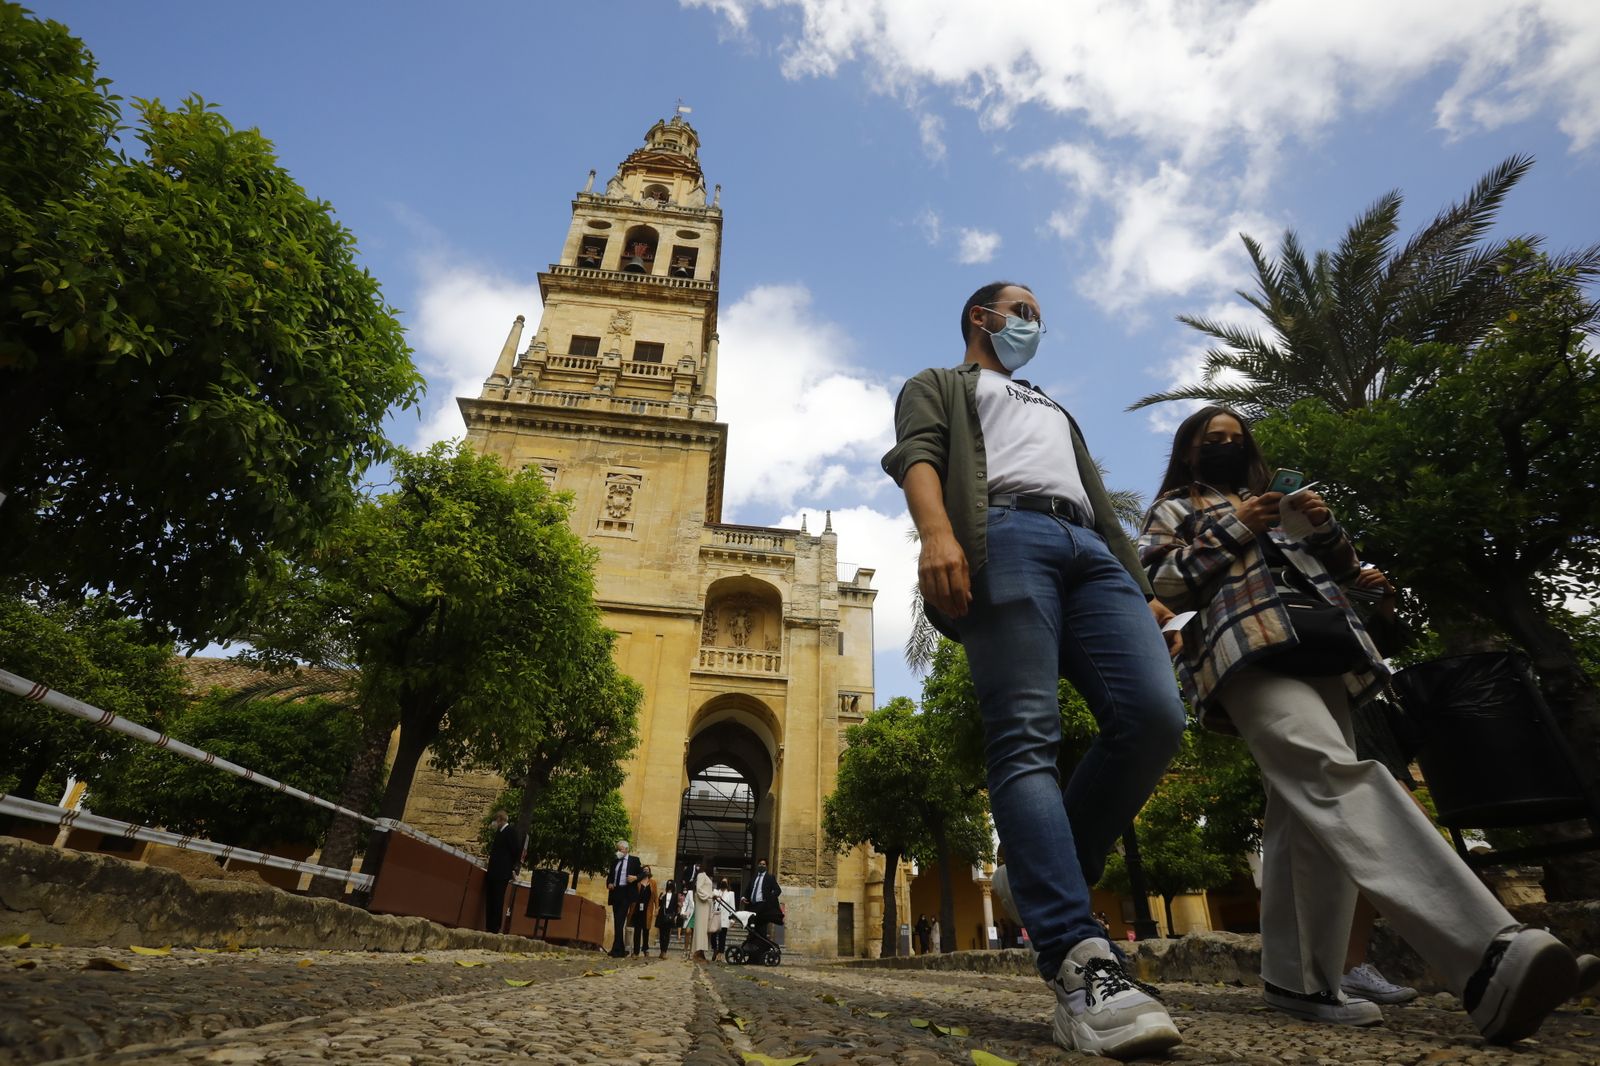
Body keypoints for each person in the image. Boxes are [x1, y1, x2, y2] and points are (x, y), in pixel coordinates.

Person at [1139, 404, 1579, 1043]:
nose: (1229, 445)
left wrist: (1323, 528)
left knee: (1304, 819)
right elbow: (1162, 579)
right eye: (1215, 439)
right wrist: (1237, 527)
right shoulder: (1177, 507)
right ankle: (1487, 952)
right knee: (1336, 777)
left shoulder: (1273, 498)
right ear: (1189, 452)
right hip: (1246, 651)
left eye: (1238, 437)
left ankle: (1301, 981)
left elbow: (1341, 572)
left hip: (1325, 650)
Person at [882, 281, 1185, 1059]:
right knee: (1026, 734)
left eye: (1039, 317)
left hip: (1090, 552)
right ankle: (1081, 965)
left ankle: (1039, 872)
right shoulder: (939, 385)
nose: (1032, 325)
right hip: (1005, 535)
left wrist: (1145, 593)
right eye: (1021, 312)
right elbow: (918, 455)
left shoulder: (1053, 408)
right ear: (980, 319)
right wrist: (937, 537)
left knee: (1154, 717)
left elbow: (1099, 502)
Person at [483, 809, 521, 934]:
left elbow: (516, 850)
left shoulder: (510, 831)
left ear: (500, 819)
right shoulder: (500, 832)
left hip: (502, 872)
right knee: (491, 898)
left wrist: (512, 868)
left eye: (495, 820)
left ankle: (495, 927)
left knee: (498, 899)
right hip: (494, 872)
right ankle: (489, 925)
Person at [604, 839, 643, 959]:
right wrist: (609, 883)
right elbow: (610, 876)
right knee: (617, 921)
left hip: (626, 893)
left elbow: (644, 873)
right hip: (616, 892)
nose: (618, 852)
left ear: (626, 850)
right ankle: (620, 949)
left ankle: (616, 950)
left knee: (620, 920)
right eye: (617, 849)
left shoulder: (634, 860)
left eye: (620, 849)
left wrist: (635, 877)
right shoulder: (615, 861)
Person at [743, 858, 783, 944]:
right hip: (752, 906)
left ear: (767, 866)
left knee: (761, 928)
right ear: (758, 865)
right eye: (760, 864)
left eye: (764, 864)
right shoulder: (754, 877)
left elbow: (778, 890)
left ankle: (760, 951)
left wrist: (769, 900)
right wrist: (744, 897)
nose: (762, 865)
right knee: (751, 928)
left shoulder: (770, 877)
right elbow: (748, 889)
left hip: (762, 906)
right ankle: (751, 948)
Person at [690, 858, 715, 963]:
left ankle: (701, 953)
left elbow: (707, 890)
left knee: (704, 929)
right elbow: (699, 889)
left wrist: (714, 895)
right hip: (702, 905)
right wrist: (710, 896)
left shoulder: (706, 877)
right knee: (701, 928)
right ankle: (697, 953)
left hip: (706, 905)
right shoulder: (701, 875)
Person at [629, 865, 657, 958]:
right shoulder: (638, 882)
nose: (645, 871)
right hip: (637, 909)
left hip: (647, 910)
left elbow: (655, 897)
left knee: (646, 931)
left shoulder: (653, 883)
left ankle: (645, 949)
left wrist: (656, 908)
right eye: (644, 870)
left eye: (647, 870)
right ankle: (636, 952)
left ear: (650, 872)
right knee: (637, 931)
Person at [655, 878, 679, 958]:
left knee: (667, 934)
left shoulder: (675, 896)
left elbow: (676, 907)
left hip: (670, 917)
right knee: (661, 935)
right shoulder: (663, 894)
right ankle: (661, 951)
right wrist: (660, 898)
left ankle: (665, 951)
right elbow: (659, 904)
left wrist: (675, 916)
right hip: (662, 916)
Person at [713, 877, 736, 960]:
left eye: (725, 882)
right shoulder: (715, 892)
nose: (724, 883)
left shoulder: (730, 893)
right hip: (715, 916)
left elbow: (732, 907)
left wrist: (732, 919)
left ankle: (720, 954)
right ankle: (715, 949)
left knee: (722, 937)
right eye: (722, 881)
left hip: (724, 917)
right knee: (713, 935)